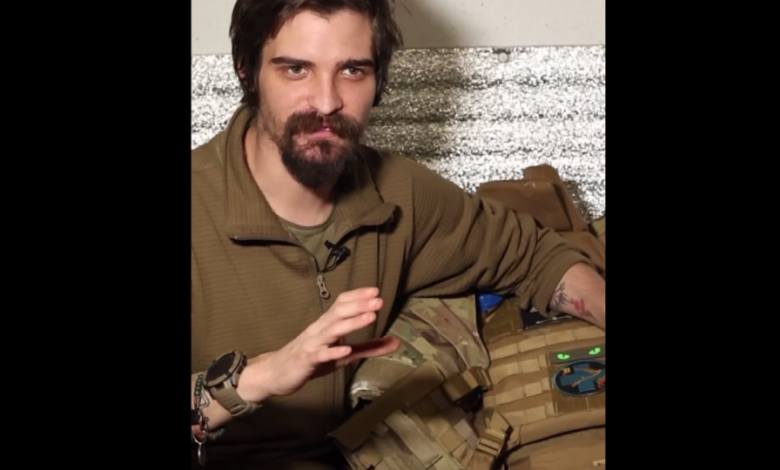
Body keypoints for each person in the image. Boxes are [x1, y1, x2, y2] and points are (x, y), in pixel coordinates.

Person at [190, 1, 606, 469]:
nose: (326, 103)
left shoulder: (399, 192)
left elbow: (535, 256)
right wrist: (261, 377)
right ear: (246, 71)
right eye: (296, 70)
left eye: (352, 70)